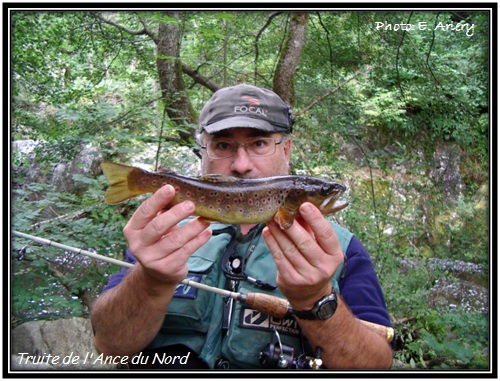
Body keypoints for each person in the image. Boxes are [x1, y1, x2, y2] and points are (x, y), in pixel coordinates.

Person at [91, 84, 394, 370]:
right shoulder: (163, 234)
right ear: (203, 151)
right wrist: (150, 281)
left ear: (286, 150)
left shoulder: (342, 250)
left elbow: (376, 364)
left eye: (259, 143)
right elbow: (108, 347)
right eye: (223, 145)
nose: (241, 164)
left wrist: (316, 299)